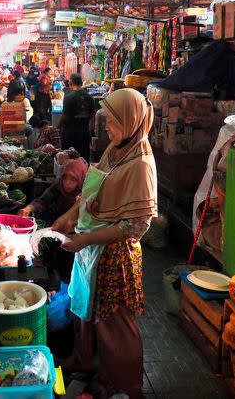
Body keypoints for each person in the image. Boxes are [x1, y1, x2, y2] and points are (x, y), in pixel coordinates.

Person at [52, 89, 157, 399]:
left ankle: (124, 385)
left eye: (111, 121)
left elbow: (136, 225)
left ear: (130, 120)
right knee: (85, 310)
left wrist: (86, 238)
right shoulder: (116, 149)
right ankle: (84, 361)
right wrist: (69, 217)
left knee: (115, 326)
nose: (106, 127)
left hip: (115, 256)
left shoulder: (141, 165)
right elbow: (90, 193)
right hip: (91, 249)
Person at [19, 159, 88, 225]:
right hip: (55, 223)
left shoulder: (87, 194)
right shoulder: (59, 184)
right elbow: (43, 200)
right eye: (65, 178)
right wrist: (28, 208)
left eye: (73, 179)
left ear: (81, 179)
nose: (67, 183)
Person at [60, 73, 95, 161]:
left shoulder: (68, 97)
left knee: (68, 160)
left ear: (71, 83)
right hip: (84, 132)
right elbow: (92, 115)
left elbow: (64, 116)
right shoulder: (90, 97)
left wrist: (57, 127)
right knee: (84, 159)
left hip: (70, 133)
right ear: (81, 82)